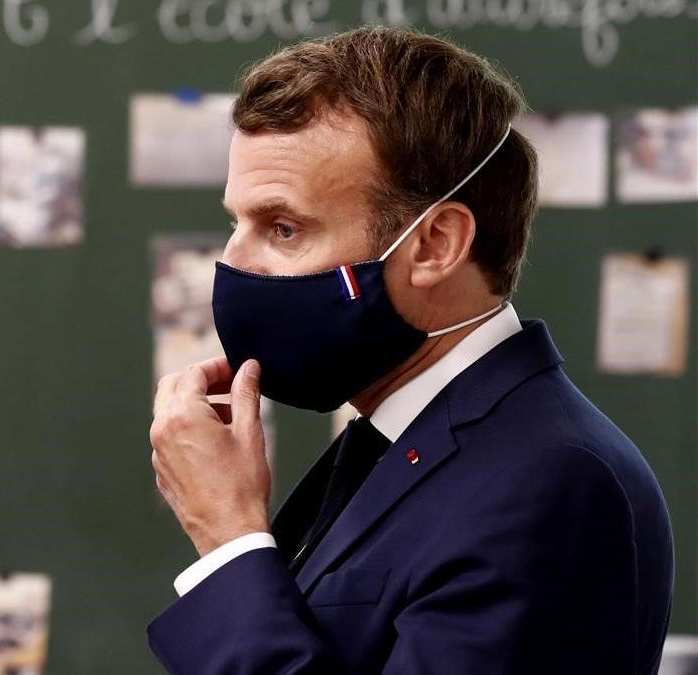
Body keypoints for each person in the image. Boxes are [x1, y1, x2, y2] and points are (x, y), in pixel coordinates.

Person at [147, 26, 673, 674]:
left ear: (434, 245)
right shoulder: (395, 438)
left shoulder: (549, 484)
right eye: (236, 221)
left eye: (283, 228)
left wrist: (228, 538)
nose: (231, 264)